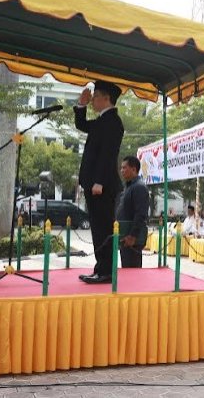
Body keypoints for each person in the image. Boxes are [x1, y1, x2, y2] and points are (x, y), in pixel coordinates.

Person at [75, 81, 124, 283]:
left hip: (101, 186)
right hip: (95, 184)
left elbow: (108, 155)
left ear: (106, 98)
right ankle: (100, 268)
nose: (93, 100)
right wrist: (81, 105)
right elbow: (81, 125)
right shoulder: (102, 121)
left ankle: (106, 271)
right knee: (97, 228)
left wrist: (99, 182)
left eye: (95, 97)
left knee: (103, 228)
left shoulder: (113, 122)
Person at [115, 156, 149, 268]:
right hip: (125, 235)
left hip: (132, 239)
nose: (122, 171)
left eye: (124, 168)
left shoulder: (139, 187)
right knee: (126, 268)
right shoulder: (128, 187)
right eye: (121, 168)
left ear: (134, 169)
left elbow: (140, 214)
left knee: (132, 271)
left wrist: (132, 236)